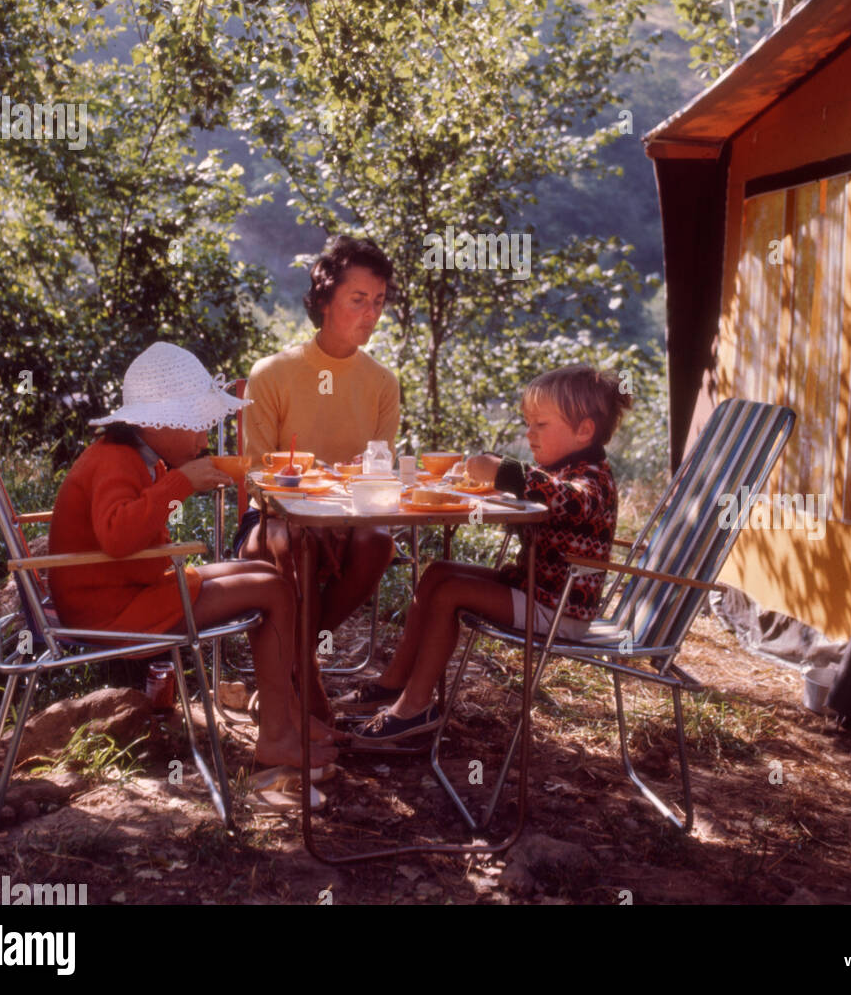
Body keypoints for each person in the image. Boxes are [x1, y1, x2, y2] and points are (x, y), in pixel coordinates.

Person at [48, 342, 337, 789]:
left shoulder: (138, 457)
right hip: (112, 612)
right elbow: (118, 536)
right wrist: (182, 482)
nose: (203, 441)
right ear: (157, 422)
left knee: (269, 577)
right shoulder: (115, 460)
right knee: (276, 591)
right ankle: (277, 734)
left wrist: (177, 479)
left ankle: (288, 714)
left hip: (134, 591)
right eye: (196, 427)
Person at [346, 364, 632, 746]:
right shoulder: (562, 469)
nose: (529, 434)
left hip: (559, 609)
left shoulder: (592, 479)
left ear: (584, 431)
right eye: (527, 424)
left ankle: (414, 709)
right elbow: (544, 496)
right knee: (438, 574)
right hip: (534, 588)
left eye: (540, 425)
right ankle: (391, 684)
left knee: (450, 594)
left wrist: (505, 472)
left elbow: (569, 499)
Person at [237, 235, 400, 723]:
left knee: (379, 543)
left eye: (378, 302)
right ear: (325, 300)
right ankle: (306, 688)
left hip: (348, 520)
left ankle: (287, 655)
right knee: (299, 544)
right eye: (358, 300)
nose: (371, 313)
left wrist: (340, 504)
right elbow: (260, 479)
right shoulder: (273, 373)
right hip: (274, 522)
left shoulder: (382, 382)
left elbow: (376, 471)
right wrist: (313, 502)